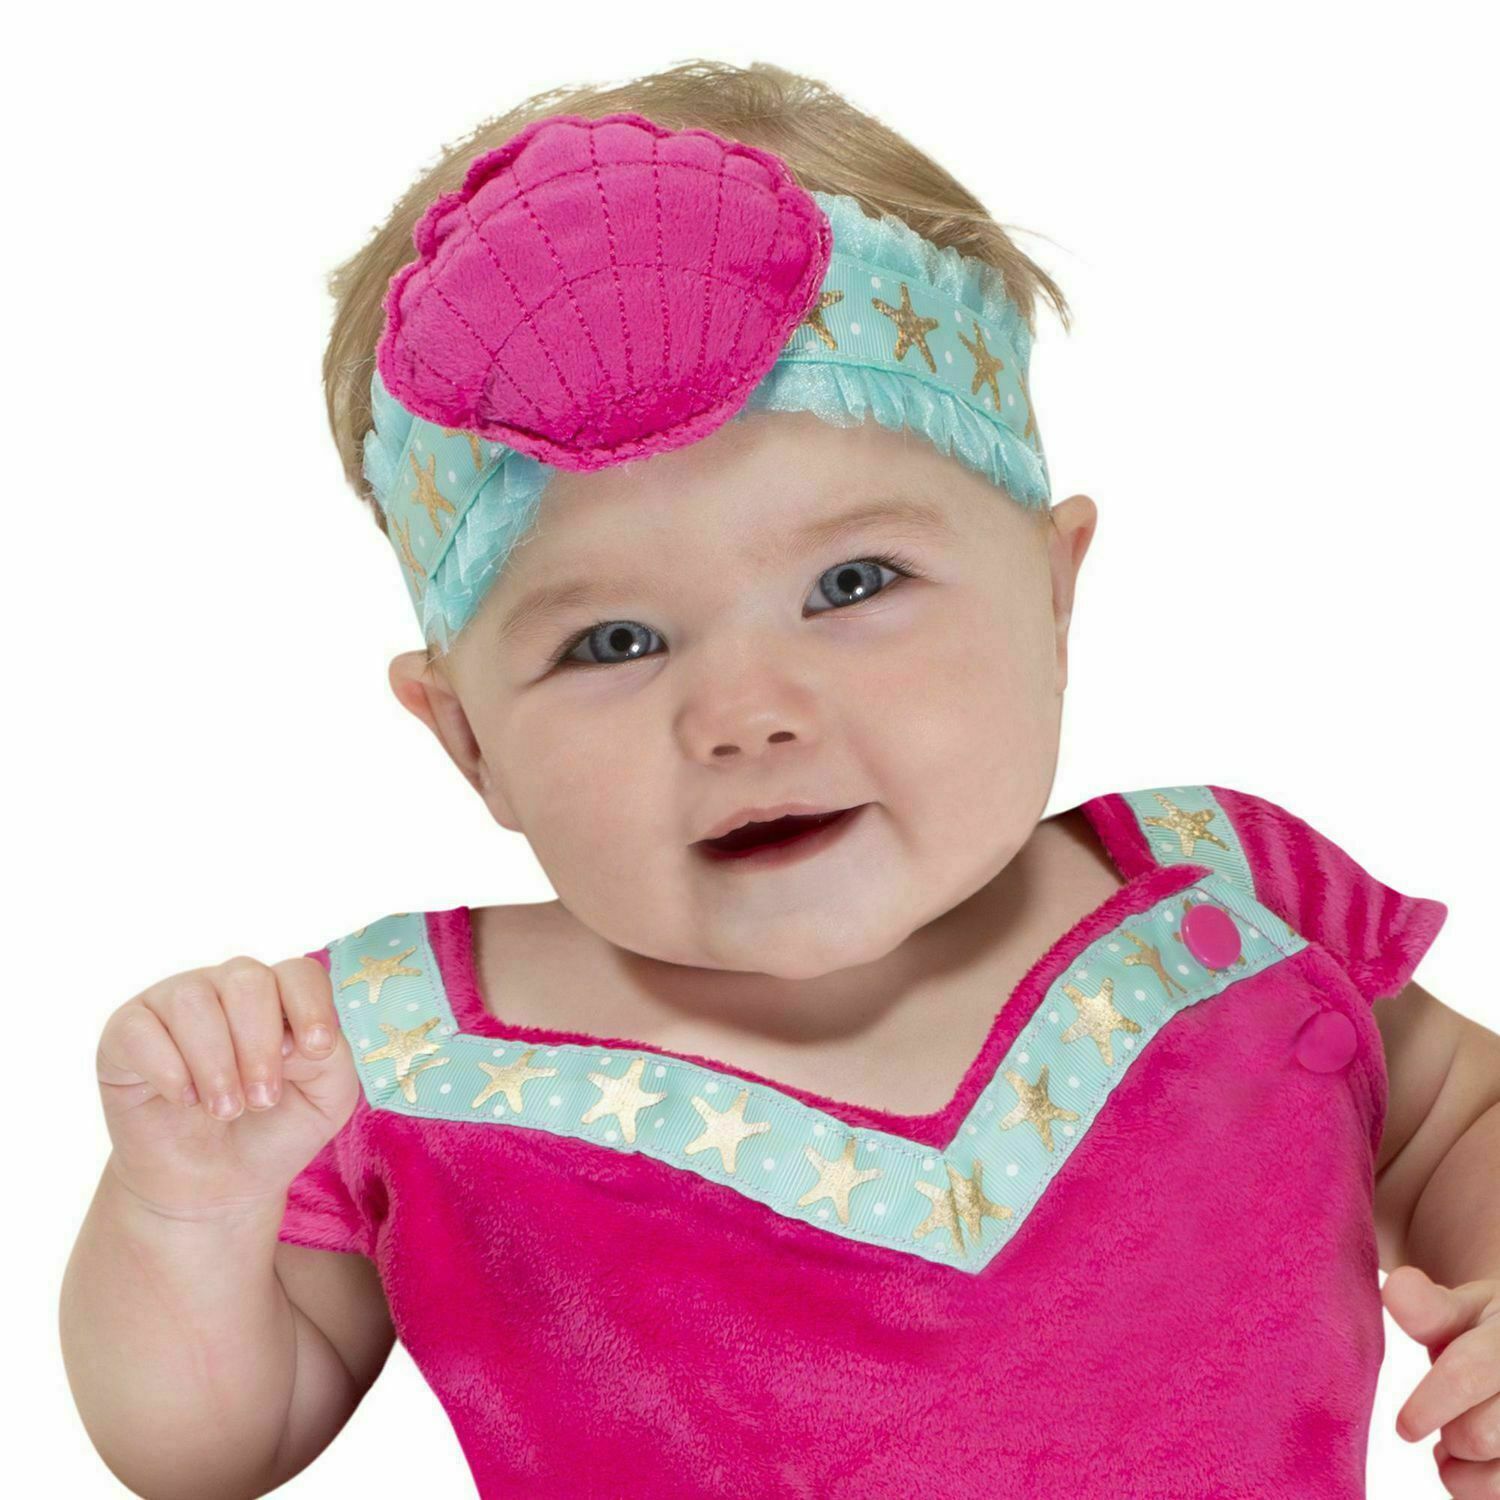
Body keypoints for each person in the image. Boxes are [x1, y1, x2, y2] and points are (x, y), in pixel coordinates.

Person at [60, 61, 1499, 1499]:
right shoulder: (382, 1058)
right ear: (469, 740)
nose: (745, 715)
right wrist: (187, 1215)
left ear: (1053, 598)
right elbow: (207, 1456)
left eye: (854, 582)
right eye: (614, 642)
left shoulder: (1221, 907)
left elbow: (1456, 1126)